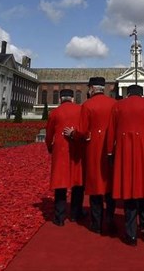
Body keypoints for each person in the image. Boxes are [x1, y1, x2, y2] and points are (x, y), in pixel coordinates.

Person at [105, 84, 144, 246]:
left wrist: (110, 153)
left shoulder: (118, 106)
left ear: (128, 93)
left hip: (124, 153)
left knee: (129, 191)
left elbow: (111, 132)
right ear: (142, 93)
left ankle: (130, 233)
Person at [64, 76, 117, 235]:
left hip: (93, 148)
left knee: (95, 186)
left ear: (93, 88)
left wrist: (73, 133)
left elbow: (82, 131)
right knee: (110, 185)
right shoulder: (114, 104)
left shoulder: (87, 105)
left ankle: (96, 223)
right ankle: (110, 218)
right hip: (110, 147)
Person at [45, 89, 84, 226]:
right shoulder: (80, 110)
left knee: (60, 183)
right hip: (77, 149)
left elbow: (49, 134)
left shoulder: (55, 112)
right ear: (73, 99)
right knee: (78, 182)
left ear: (60, 99)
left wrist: (50, 146)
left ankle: (60, 216)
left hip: (60, 150)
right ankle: (75, 213)